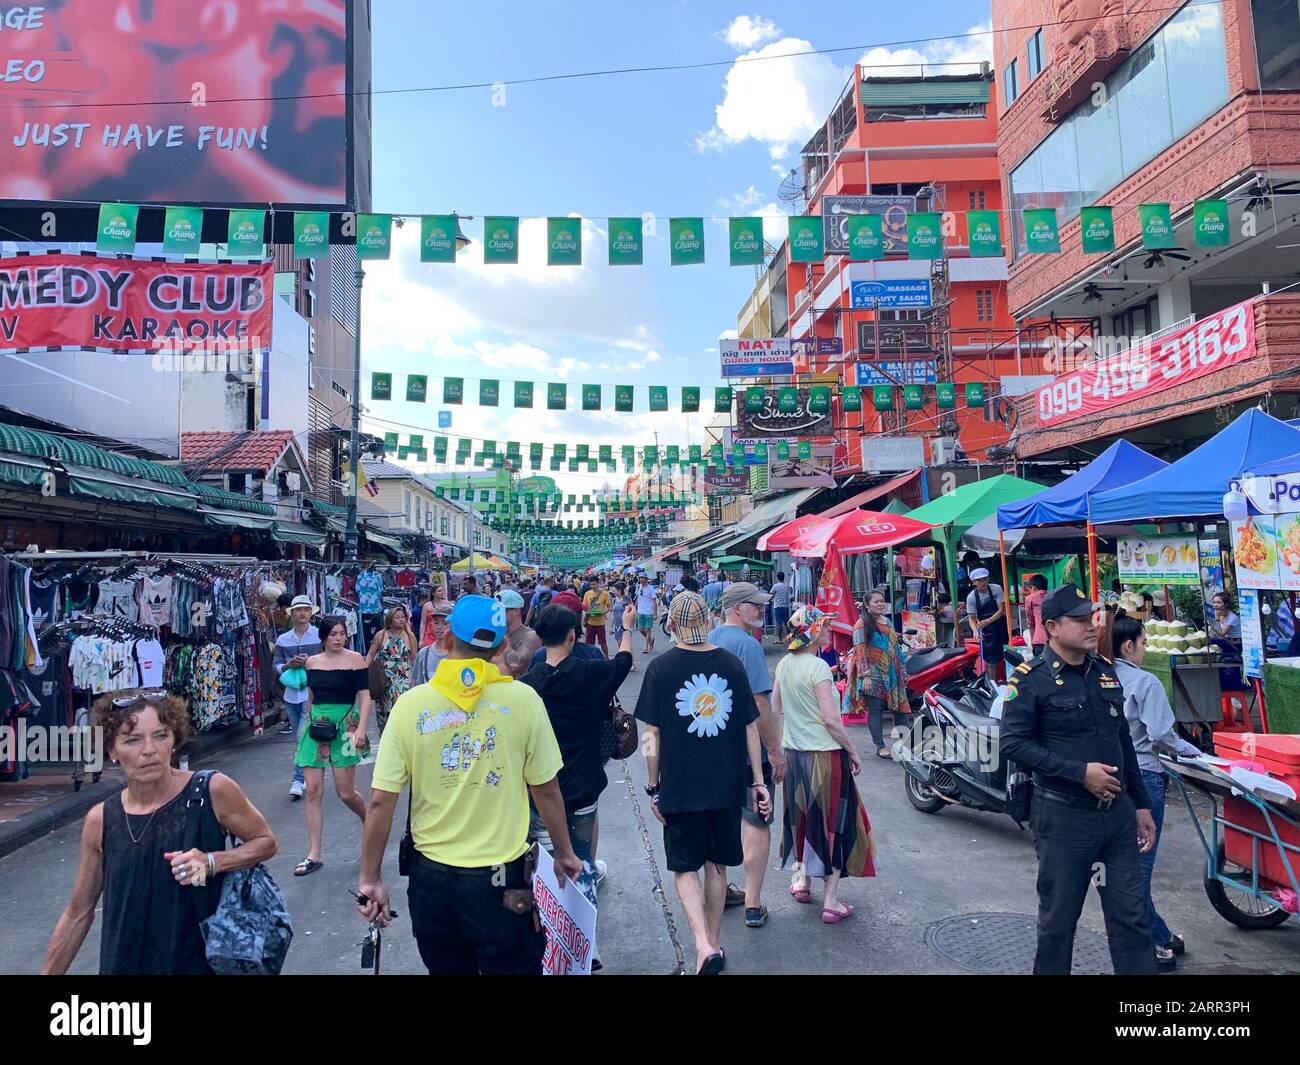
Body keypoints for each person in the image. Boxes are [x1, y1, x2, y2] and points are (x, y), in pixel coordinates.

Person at [356, 595, 583, 975]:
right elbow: (545, 789)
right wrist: (564, 853)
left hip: (433, 884)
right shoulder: (524, 700)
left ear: (445, 641)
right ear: (500, 646)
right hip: (503, 887)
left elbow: (381, 801)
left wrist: (370, 877)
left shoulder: (411, 705)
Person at [42, 691, 277, 974]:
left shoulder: (211, 791)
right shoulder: (101, 819)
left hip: (199, 964)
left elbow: (265, 842)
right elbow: (78, 913)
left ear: (174, 740)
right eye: (132, 740)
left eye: (161, 735)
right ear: (112, 751)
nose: (149, 749)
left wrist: (212, 862)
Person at [1000, 583, 1158, 975]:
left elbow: (1123, 742)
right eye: (1081, 620)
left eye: (1093, 618)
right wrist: (1079, 773)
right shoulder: (1030, 679)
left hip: (1117, 820)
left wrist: (1141, 804)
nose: (1092, 626)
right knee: (1058, 924)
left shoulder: (1104, 672)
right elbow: (1012, 744)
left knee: (1131, 920)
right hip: (1063, 820)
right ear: (1052, 627)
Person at [634, 592, 770, 975]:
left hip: (679, 786)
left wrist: (651, 784)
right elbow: (750, 725)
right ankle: (714, 943)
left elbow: (652, 734)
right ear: (707, 621)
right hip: (726, 785)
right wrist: (757, 781)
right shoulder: (730, 664)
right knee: (716, 866)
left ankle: (702, 945)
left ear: (672, 624)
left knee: (683, 867)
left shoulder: (660, 669)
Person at [520, 601, 637, 959]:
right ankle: (587, 948)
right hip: (584, 786)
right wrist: (627, 626)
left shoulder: (527, 687)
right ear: (573, 635)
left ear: (540, 638)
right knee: (581, 860)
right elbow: (624, 661)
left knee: (550, 862)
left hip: (541, 792)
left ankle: (554, 946)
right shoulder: (591, 674)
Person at [1106, 614, 1201, 971]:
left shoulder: (1097, 675)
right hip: (1143, 776)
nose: (1145, 649)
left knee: (1126, 864)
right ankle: (1147, 942)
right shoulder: (1144, 682)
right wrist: (1196, 753)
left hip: (1108, 778)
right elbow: (1161, 735)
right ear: (1129, 646)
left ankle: (1159, 934)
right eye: (1144, 643)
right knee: (1138, 867)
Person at [774, 607, 876, 922]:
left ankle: (803, 882)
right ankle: (831, 901)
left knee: (802, 819)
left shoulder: (784, 664)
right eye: (825, 626)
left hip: (794, 756)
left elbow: (775, 708)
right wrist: (853, 751)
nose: (829, 630)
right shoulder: (818, 667)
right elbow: (831, 719)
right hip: (824, 756)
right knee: (833, 823)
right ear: (814, 631)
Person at [707, 581, 783, 928]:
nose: (762, 611)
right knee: (756, 822)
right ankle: (753, 903)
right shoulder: (748, 646)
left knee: (721, 823)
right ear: (738, 608)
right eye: (756, 605)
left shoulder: (710, 638)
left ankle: (719, 893)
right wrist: (774, 751)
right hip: (749, 753)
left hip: (714, 751)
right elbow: (759, 703)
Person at [294, 616, 372, 877]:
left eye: (342, 634)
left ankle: (369, 821)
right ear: (324, 637)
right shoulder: (313, 662)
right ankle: (313, 853)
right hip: (316, 726)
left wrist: (360, 729)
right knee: (313, 790)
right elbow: (311, 696)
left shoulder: (355, 659)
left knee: (346, 792)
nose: (338, 638)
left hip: (345, 725)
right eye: (333, 634)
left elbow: (365, 696)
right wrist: (307, 722)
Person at [847, 589, 911, 759]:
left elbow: (896, 648)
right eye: (876, 601)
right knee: (876, 711)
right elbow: (859, 651)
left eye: (882, 601)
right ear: (867, 605)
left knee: (900, 708)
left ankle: (908, 745)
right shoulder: (861, 625)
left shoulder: (888, 622)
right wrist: (865, 675)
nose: (880, 604)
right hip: (872, 674)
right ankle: (880, 746)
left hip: (891, 673)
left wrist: (902, 671)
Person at [272, 595, 321, 799]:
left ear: (311, 613)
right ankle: (308, 772)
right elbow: (276, 665)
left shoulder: (319, 636)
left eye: (306, 609)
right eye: (298, 610)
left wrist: (309, 661)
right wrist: (288, 665)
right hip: (291, 693)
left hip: (311, 692)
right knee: (298, 737)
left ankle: (298, 779)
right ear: (291, 614)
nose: (302, 613)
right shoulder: (283, 640)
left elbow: (326, 659)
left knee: (301, 736)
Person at [366, 604, 417, 735]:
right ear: (390, 620)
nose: (401, 620)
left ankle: (400, 739)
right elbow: (371, 654)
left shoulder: (408, 636)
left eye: (403, 617)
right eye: (397, 617)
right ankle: (385, 738)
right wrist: (364, 670)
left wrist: (410, 633)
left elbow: (414, 657)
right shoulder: (381, 635)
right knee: (383, 712)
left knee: (401, 710)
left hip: (402, 679)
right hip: (384, 679)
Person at [966, 567, 1009, 682]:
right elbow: (971, 618)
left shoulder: (996, 589)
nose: (983, 583)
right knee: (990, 661)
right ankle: (993, 687)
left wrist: (989, 620)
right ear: (974, 582)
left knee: (1008, 655)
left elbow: (1001, 610)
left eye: (985, 579)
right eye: (979, 581)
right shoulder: (971, 597)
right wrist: (975, 631)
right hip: (987, 631)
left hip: (1001, 626)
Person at [492, 588, 542, 678]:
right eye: (495, 610)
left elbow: (516, 664)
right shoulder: (494, 635)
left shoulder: (531, 636)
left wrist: (501, 635)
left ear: (516, 611)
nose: (497, 614)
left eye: (501, 610)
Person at [410, 600, 453, 685]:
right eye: (436, 622)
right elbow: (416, 685)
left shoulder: (460, 654)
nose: (439, 627)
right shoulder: (423, 654)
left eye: (445, 623)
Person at [582, 578, 612, 654]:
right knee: (589, 643)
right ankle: (590, 658)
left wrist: (603, 612)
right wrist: (589, 612)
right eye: (591, 584)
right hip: (590, 622)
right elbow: (584, 606)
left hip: (600, 623)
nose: (593, 586)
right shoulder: (587, 594)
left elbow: (608, 607)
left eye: (594, 584)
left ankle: (606, 657)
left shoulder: (604, 594)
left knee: (602, 642)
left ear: (598, 584)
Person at [1024, 574, 1049, 657]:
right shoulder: (1053, 597)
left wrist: (1032, 642)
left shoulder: (1030, 599)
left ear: (1033, 588)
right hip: (1056, 642)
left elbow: (1031, 623)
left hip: (1039, 641)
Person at [635, 574, 660, 653]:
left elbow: (654, 601)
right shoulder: (638, 587)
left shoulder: (650, 588)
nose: (641, 579)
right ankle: (651, 640)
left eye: (642, 577)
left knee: (648, 629)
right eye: (640, 578)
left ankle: (646, 647)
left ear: (646, 579)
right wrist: (635, 608)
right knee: (641, 630)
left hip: (648, 611)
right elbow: (638, 598)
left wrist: (655, 613)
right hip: (640, 611)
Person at [771, 571, 793, 644]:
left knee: (779, 624)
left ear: (777, 578)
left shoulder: (775, 586)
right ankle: (788, 639)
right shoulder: (787, 585)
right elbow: (790, 592)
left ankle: (779, 639)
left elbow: (771, 594)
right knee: (787, 623)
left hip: (778, 606)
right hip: (786, 606)